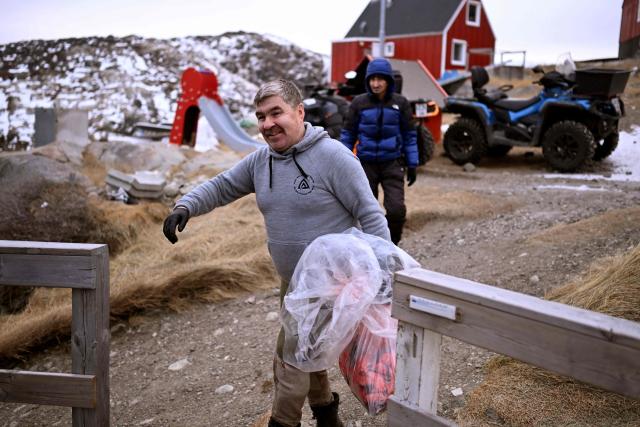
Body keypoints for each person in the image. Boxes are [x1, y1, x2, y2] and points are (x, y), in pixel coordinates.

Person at [163, 79, 390, 427]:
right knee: (306, 348)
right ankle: (328, 416)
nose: (267, 124)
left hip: (332, 284)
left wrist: (386, 278)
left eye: (276, 113)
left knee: (290, 354)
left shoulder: (333, 157)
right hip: (292, 281)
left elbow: (371, 214)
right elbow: (223, 185)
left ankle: (283, 422)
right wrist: (186, 206)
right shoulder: (261, 161)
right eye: (261, 117)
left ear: (299, 112)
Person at [340, 57, 418, 245]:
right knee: (368, 211)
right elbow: (348, 133)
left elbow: (409, 134)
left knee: (396, 210)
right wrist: (342, 161)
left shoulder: (401, 103)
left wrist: (413, 163)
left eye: (380, 79)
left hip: (392, 162)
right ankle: (371, 247)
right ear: (368, 81)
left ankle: (393, 245)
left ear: (388, 81)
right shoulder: (359, 103)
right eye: (372, 79)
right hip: (365, 164)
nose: (375, 84)